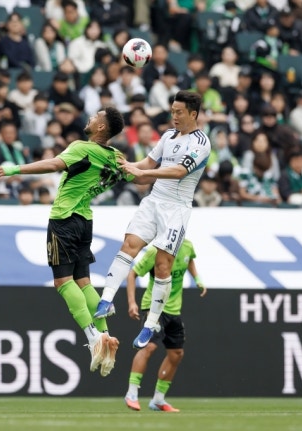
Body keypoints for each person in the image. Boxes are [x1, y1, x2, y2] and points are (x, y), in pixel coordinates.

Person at [0, 107, 128, 377]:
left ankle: (94, 338)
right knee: (84, 282)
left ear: (101, 127)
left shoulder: (82, 148)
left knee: (63, 282)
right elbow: (136, 173)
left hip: (64, 219)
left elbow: (54, 164)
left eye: (96, 116)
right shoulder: (116, 158)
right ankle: (106, 335)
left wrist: (13, 169)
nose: (91, 117)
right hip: (85, 220)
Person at [93, 90, 212, 350]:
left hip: (176, 209)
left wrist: (141, 173)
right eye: (172, 111)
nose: (174, 116)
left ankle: (151, 324)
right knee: (129, 245)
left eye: (179, 112)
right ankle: (106, 299)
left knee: (162, 266)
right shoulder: (168, 136)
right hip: (154, 200)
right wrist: (126, 165)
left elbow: (178, 171)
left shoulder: (201, 143)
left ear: (193, 114)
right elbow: (148, 162)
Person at [124, 238, 206, 412]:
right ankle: (131, 393)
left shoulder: (187, 246)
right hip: (154, 308)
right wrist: (131, 303)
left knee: (176, 354)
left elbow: (189, 260)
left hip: (174, 309)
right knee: (149, 346)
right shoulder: (155, 251)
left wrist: (198, 279)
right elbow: (132, 274)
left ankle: (158, 400)